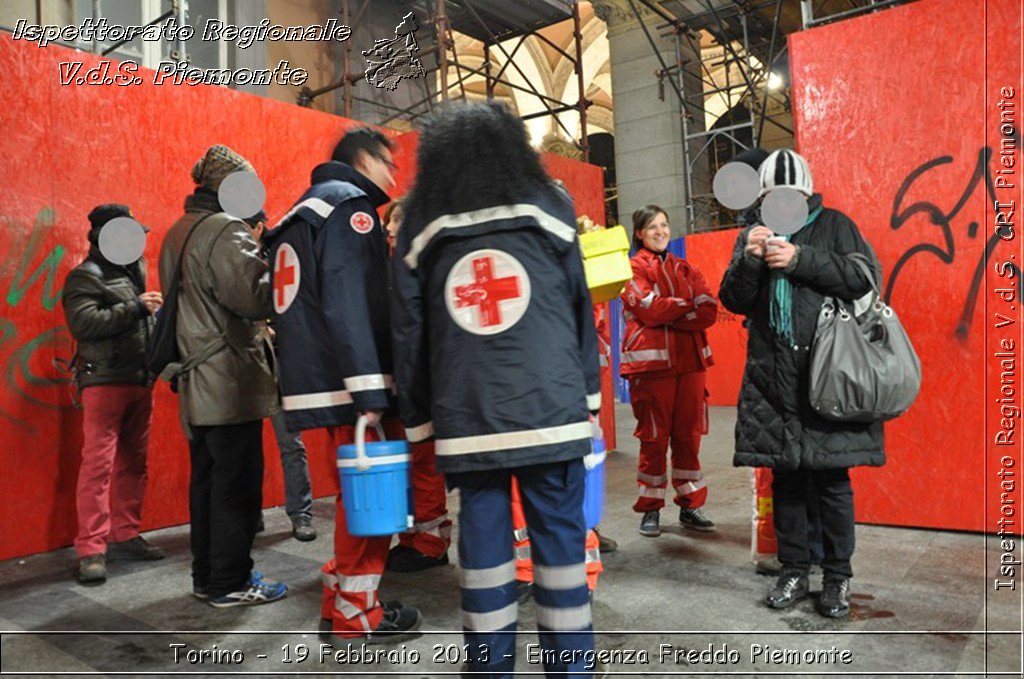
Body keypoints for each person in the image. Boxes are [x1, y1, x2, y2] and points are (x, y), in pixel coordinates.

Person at [392, 101, 598, 677]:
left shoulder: (421, 221)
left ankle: (488, 670)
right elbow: (581, 306)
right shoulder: (553, 205)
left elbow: (406, 327)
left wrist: (419, 421)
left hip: (467, 415)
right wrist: (588, 398)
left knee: (483, 554)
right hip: (553, 408)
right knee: (561, 551)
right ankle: (573, 668)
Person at [264, 127, 421, 640]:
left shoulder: (300, 211)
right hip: (353, 386)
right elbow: (351, 303)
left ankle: (345, 603)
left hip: (316, 380)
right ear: (364, 159)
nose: (393, 177)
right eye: (389, 165)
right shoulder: (350, 209)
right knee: (372, 506)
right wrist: (371, 392)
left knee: (356, 502)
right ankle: (357, 615)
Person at [719, 148, 884, 619]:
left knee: (832, 481)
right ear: (763, 195)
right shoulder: (752, 233)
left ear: (806, 192)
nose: (782, 201)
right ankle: (794, 570)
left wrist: (801, 258)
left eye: (790, 194)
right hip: (773, 379)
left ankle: (837, 577)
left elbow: (863, 277)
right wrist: (749, 260)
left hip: (827, 375)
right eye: (773, 194)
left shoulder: (835, 224)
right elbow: (733, 299)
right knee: (786, 479)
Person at [158, 144, 288, 607]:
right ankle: (232, 581)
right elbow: (254, 299)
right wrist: (279, 267)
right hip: (228, 378)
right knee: (236, 488)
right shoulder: (227, 230)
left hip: (196, 379)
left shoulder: (179, 230)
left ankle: (206, 576)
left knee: (208, 483)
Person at [62, 204, 165, 584]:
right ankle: (91, 549)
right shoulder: (83, 278)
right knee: (98, 466)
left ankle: (125, 532)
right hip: (104, 382)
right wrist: (137, 307)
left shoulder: (131, 271)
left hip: (139, 379)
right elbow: (84, 324)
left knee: (134, 463)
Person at [620, 205, 718, 537]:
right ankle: (650, 509)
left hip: (690, 366)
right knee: (653, 438)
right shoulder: (631, 269)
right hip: (651, 370)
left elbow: (709, 311)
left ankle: (690, 505)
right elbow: (649, 310)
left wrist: (672, 309)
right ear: (639, 233)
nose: (661, 231)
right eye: (652, 227)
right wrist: (685, 306)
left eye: (664, 225)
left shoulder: (686, 268)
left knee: (689, 436)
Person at [380, 198, 453, 572]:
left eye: (400, 221)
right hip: (395, 383)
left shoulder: (425, 269)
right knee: (405, 466)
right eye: (392, 221)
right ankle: (414, 539)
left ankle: (431, 542)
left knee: (423, 464)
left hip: (421, 385)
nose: (393, 228)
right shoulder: (385, 268)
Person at [243, 211, 316, 543]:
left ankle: (301, 513)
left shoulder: (281, 255)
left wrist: (276, 326)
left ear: (258, 227)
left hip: (279, 357)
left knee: (290, 442)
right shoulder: (232, 257)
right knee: (245, 444)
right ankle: (251, 513)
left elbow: (295, 301)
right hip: (245, 359)